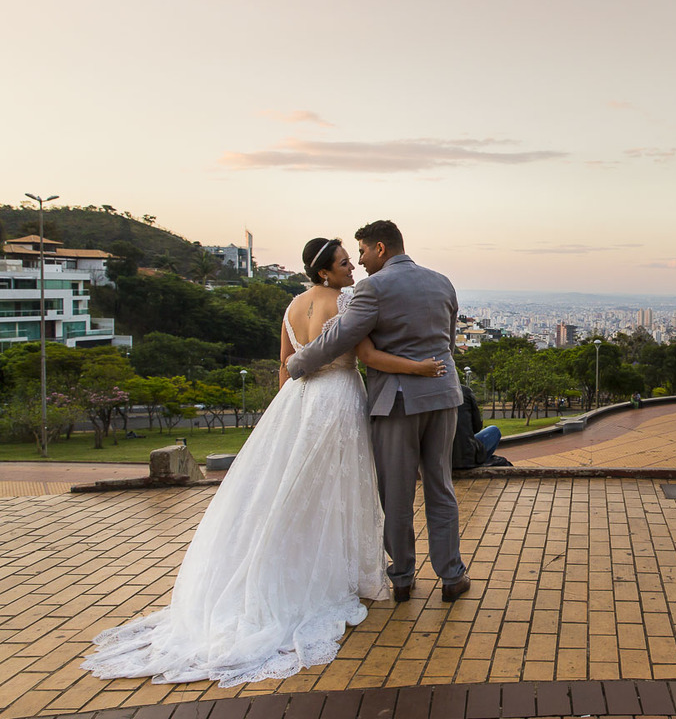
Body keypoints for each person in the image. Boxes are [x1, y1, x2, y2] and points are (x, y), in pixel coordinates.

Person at [83, 238, 446, 687]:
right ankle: (334, 573)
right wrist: (421, 367)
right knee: (339, 488)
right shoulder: (349, 301)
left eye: (352, 260)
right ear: (325, 273)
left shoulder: (292, 306)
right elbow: (367, 357)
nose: (352, 267)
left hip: (297, 401)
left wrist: (288, 412)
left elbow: (284, 363)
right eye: (344, 262)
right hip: (339, 399)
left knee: (292, 488)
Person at [286, 220, 470, 604]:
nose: (360, 262)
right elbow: (447, 342)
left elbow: (340, 337)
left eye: (364, 252)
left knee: (397, 493)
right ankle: (452, 576)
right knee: (441, 486)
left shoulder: (373, 287)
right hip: (443, 395)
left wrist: (297, 365)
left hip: (397, 402)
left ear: (381, 248)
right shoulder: (442, 282)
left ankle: (402, 578)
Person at [452, 383, 504, 469]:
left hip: (439, 459)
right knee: (494, 431)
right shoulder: (465, 391)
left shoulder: (429, 393)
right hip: (466, 455)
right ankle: (483, 461)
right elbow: (477, 427)